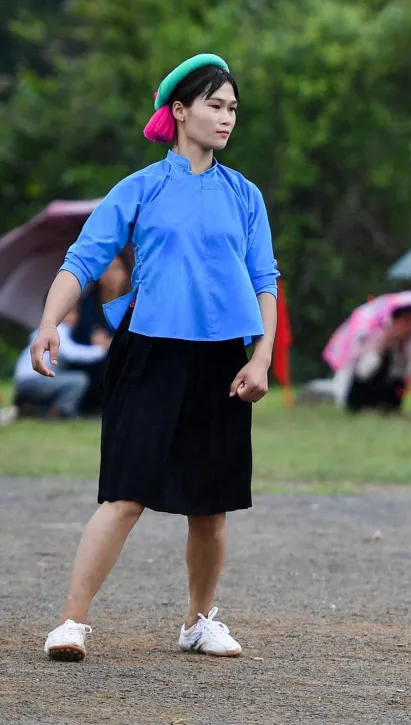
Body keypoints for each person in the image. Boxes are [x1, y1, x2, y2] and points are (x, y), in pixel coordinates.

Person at [31, 54, 279, 662]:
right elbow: (82, 261)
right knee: (125, 496)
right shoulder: (141, 187)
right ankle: (71, 622)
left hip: (222, 360)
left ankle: (198, 622)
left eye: (232, 110)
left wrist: (261, 358)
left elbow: (265, 281)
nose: (226, 119)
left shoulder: (244, 195)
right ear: (179, 111)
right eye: (215, 106)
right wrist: (49, 322)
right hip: (149, 355)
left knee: (211, 506)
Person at [13, 304, 108, 419]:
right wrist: (101, 349)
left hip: (25, 381)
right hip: (33, 380)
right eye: (71, 313)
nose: (75, 317)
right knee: (79, 380)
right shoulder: (59, 329)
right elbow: (71, 353)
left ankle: (33, 409)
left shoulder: (44, 329)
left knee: (66, 377)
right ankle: (61, 412)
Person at [68, 254, 132, 414]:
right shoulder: (86, 304)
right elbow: (80, 338)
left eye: (116, 269)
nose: (111, 275)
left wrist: (113, 343)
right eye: (106, 269)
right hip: (92, 363)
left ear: (126, 273)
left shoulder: (133, 303)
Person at [345, 304, 411, 413]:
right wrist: (382, 347)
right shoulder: (375, 336)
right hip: (363, 392)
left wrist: (405, 353)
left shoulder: (410, 345)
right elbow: (363, 372)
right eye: (406, 321)